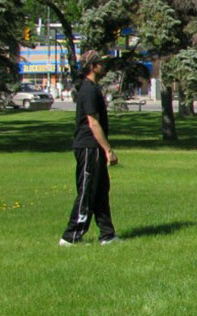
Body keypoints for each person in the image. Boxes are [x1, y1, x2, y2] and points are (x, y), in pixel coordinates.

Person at [59, 50, 118, 246]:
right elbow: (93, 123)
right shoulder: (89, 90)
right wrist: (108, 149)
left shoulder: (92, 88)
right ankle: (71, 236)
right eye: (100, 63)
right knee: (87, 191)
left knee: (100, 190)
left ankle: (107, 235)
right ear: (92, 67)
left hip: (94, 147)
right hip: (88, 147)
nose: (103, 66)